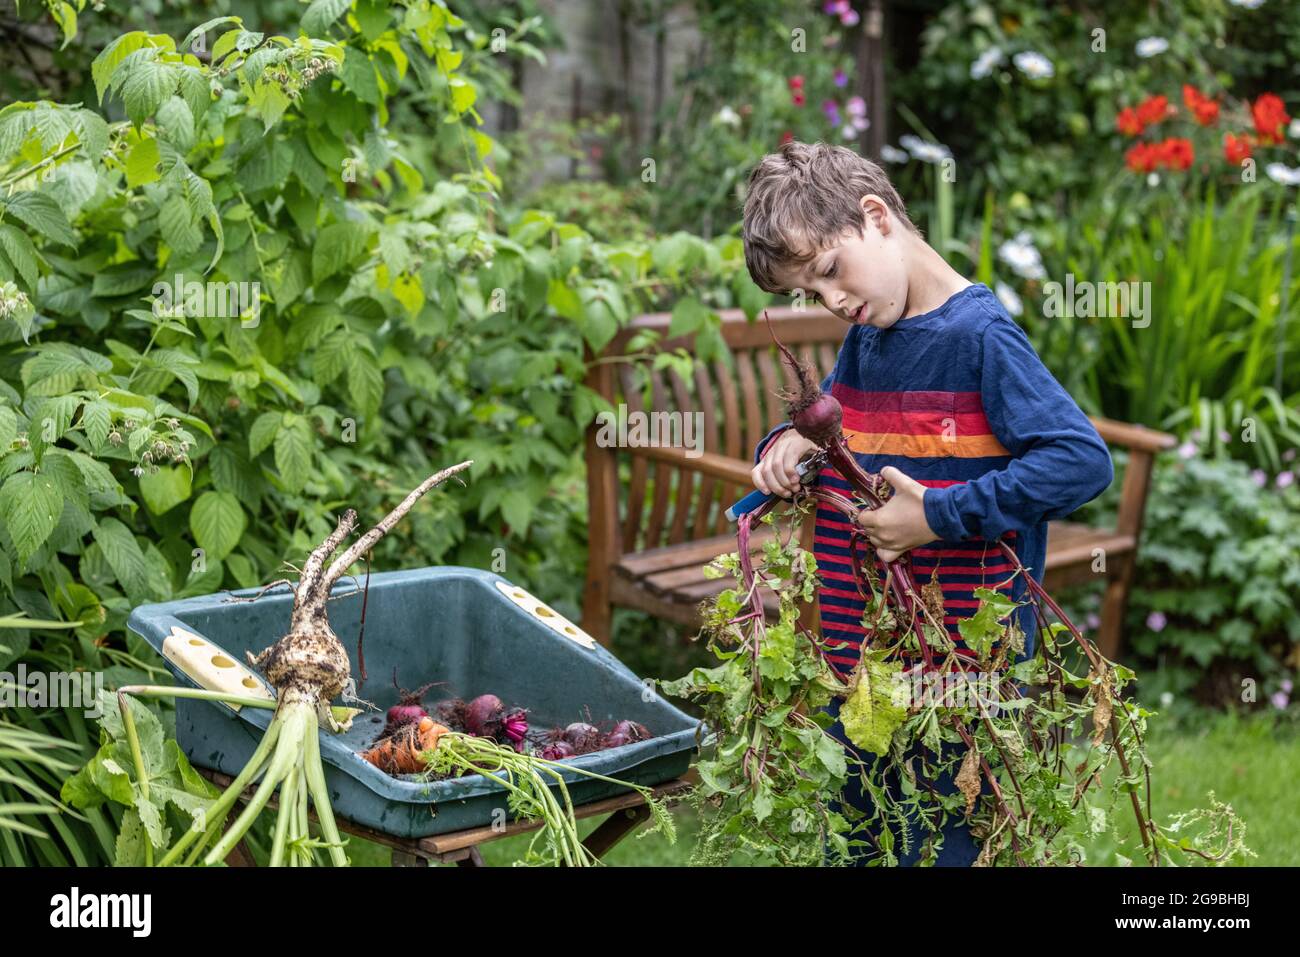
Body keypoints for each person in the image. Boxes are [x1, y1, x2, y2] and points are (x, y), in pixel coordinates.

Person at [741, 140, 1114, 865]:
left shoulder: (979, 337)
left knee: (941, 841)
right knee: (854, 841)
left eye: (828, 272)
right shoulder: (867, 339)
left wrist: (935, 515)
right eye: (812, 294)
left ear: (876, 217)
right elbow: (839, 434)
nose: (834, 301)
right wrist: (788, 443)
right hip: (860, 660)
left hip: (960, 671)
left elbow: (1079, 461)